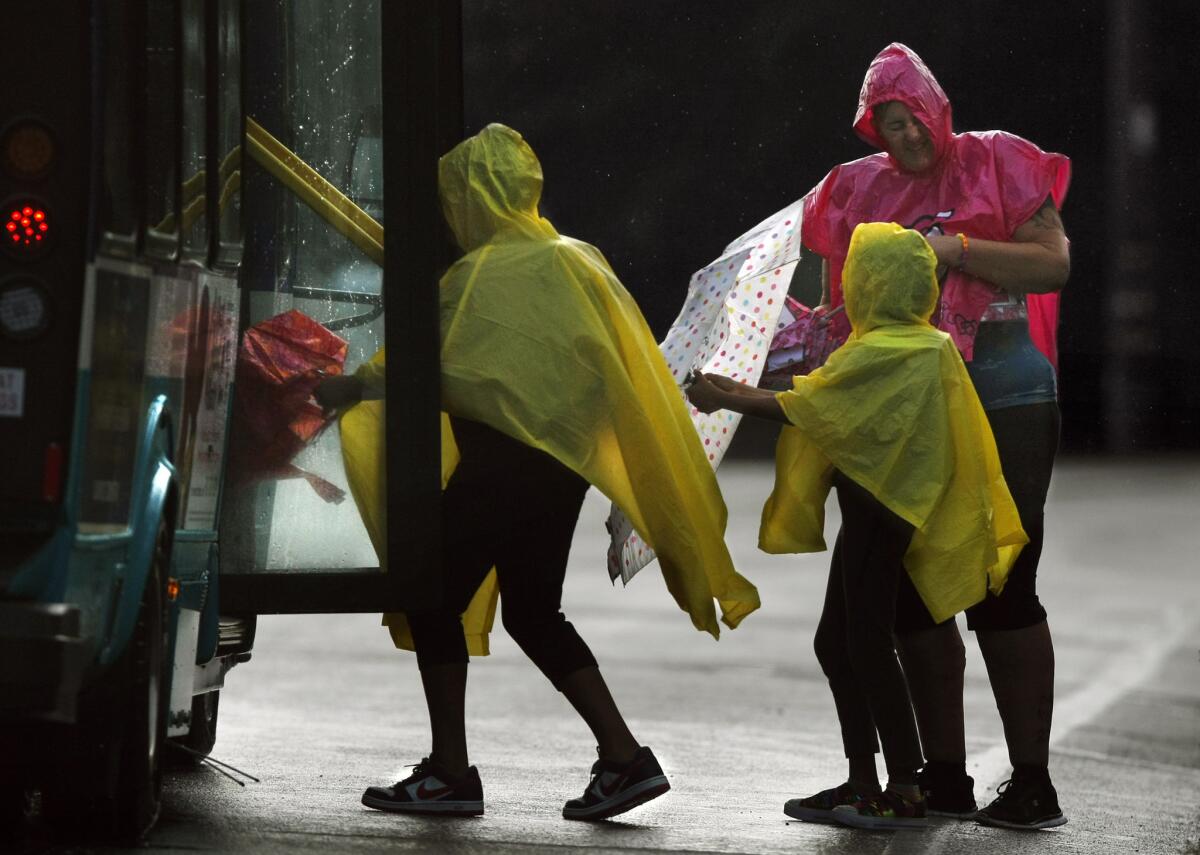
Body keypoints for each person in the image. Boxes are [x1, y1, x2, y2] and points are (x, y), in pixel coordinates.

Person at [316, 123, 760, 821]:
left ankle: (450, 772)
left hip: (501, 462)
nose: (448, 213)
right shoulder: (580, 261)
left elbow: (429, 364)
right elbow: (614, 366)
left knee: (431, 594)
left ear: (472, 199)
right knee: (533, 610)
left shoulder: (479, 274)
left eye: (452, 199)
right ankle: (623, 758)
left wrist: (349, 388)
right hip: (561, 467)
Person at [798, 43, 1071, 829]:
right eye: (887, 123)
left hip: (1005, 390)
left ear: (935, 107)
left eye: (911, 117)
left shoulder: (996, 160)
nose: (904, 136)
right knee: (911, 593)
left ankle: (1032, 781)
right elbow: (835, 308)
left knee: (1003, 582)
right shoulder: (853, 188)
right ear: (870, 127)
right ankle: (940, 777)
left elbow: (1052, 263)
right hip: (905, 405)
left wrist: (956, 251)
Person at [687, 221, 1025, 831]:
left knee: (865, 643)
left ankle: (901, 788)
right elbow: (819, 394)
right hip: (881, 510)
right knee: (836, 642)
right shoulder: (928, 345)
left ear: (867, 283)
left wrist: (728, 398)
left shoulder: (884, 351)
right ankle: (865, 780)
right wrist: (737, 388)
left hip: (881, 513)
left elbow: (811, 405)